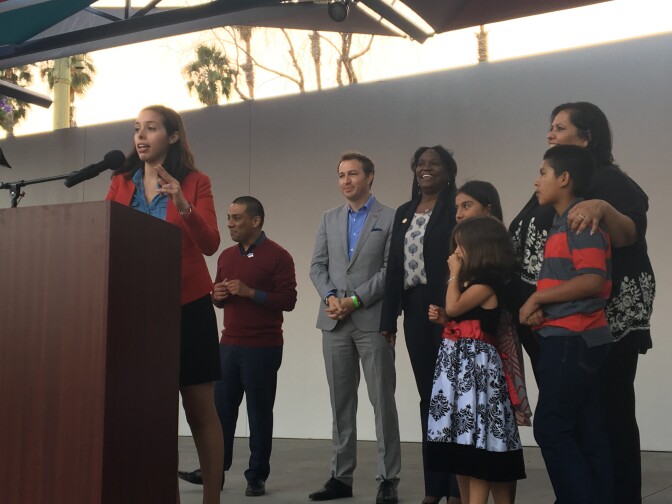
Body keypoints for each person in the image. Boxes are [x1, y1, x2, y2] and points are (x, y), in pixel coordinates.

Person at [509, 102, 655, 504]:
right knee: (585, 420)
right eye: (549, 127)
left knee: (602, 416)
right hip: (556, 323)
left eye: (559, 127)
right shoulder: (560, 184)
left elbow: (627, 236)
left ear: (587, 136)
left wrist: (604, 209)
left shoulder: (606, 183)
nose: (550, 133)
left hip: (590, 323)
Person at [105, 105, 224, 504]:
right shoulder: (120, 183)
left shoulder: (196, 182)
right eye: (137, 129)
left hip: (187, 306)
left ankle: (211, 498)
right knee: (155, 414)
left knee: (198, 410)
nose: (140, 136)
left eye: (151, 129)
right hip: (136, 312)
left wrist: (183, 203)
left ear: (172, 137)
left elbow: (210, 244)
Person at [179, 196, 297, 497]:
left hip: (263, 346)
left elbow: (288, 301)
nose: (229, 224)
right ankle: (214, 472)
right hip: (228, 345)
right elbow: (219, 300)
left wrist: (250, 292)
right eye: (228, 218)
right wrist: (216, 295)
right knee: (219, 413)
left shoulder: (278, 256)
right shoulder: (226, 257)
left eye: (236, 218)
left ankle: (256, 476)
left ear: (255, 221)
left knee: (259, 414)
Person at [520, 145, 613, 504]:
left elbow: (592, 280)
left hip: (573, 340)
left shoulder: (579, 222)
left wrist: (538, 299)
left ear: (564, 178)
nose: (536, 181)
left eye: (543, 173)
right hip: (573, 336)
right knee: (588, 430)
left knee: (552, 428)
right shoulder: (564, 222)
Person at [309, 152, 401, 503]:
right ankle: (340, 478)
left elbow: (391, 270)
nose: (346, 181)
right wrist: (332, 297)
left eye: (353, 174)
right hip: (333, 322)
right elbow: (317, 266)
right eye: (341, 175)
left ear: (370, 177)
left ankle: (387, 478)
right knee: (341, 403)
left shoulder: (391, 217)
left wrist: (355, 301)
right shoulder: (328, 218)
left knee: (382, 401)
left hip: (371, 319)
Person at [379, 146, 460, 504]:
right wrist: (388, 321)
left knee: (452, 398)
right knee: (429, 398)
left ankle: (458, 487)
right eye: (420, 164)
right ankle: (434, 488)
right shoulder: (404, 213)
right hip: (413, 311)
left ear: (448, 171)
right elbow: (394, 269)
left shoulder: (457, 206)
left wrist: (450, 306)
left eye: (434, 164)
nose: (426, 169)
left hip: (447, 308)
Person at [426, 215, 525, 504]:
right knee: (459, 441)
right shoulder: (471, 284)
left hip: (475, 368)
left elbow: (454, 305)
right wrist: (446, 318)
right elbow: (457, 312)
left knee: (478, 439)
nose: (455, 254)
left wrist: (454, 275)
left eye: (461, 247)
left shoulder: (486, 283)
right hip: (456, 367)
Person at [454, 181, 532, 427]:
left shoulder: (498, 250)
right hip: (469, 339)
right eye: (457, 207)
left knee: (496, 401)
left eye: (467, 205)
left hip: (497, 334)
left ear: (488, 208)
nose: (459, 214)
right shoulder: (463, 247)